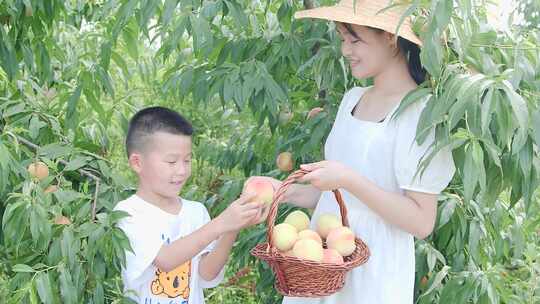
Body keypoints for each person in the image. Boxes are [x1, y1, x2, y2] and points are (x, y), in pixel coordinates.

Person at [247, 0, 455, 303]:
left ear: (391, 38)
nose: (346, 50)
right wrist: (281, 191)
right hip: (322, 260)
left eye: (354, 39)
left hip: (375, 269)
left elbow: (422, 222)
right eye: (344, 39)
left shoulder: (420, 112)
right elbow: (333, 196)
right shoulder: (352, 99)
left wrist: (348, 178)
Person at [115, 106, 263, 304]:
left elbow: (207, 273)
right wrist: (222, 222)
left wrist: (231, 228)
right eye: (171, 161)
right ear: (137, 163)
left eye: (187, 160)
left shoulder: (196, 211)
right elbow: (165, 259)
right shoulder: (129, 213)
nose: (182, 170)